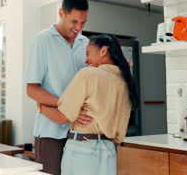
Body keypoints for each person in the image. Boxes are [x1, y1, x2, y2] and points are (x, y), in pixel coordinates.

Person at [38, 34, 140, 175]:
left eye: (88, 53)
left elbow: (61, 117)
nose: (86, 60)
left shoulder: (88, 74)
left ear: (103, 51)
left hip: (82, 150)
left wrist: (40, 106)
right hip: (110, 151)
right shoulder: (125, 82)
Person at [25, 0, 92, 175]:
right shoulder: (42, 40)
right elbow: (31, 89)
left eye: (83, 22)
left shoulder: (86, 43)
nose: (79, 27)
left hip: (81, 133)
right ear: (61, 13)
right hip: (50, 133)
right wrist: (68, 107)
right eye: (74, 21)